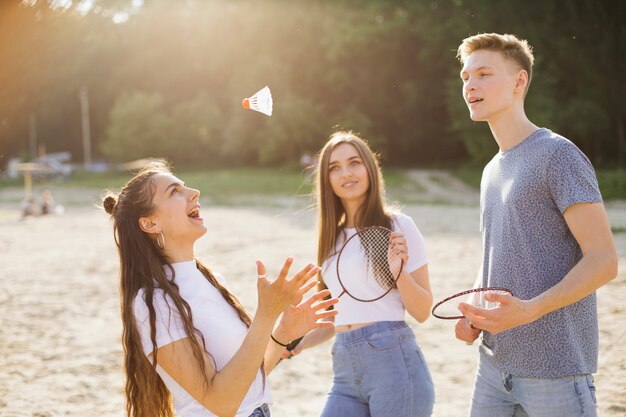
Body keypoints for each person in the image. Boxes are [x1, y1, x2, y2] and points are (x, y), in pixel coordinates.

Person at [454, 33, 618, 417]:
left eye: (483, 73)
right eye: (465, 77)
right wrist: (475, 312)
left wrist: (530, 309)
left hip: (555, 372)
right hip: (493, 365)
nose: (470, 85)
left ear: (519, 81)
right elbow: (496, 253)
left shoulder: (557, 155)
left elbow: (604, 261)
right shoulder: (491, 169)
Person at [102, 160, 338, 417]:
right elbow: (221, 403)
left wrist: (283, 332)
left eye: (185, 187)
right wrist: (266, 314)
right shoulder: (154, 302)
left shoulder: (210, 278)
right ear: (150, 224)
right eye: (174, 192)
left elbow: (247, 378)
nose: (194, 193)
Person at [285, 132, 435, 417]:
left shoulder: (399, 225)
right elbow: (334, 318)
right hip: (344, 371)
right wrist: (297, 345)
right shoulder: (331, 237)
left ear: (369, 167)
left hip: (394, 366)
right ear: (327, 179)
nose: (346, 173)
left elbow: (423, 310)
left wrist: (399, 272)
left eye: (354, 163)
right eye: (335, 167)